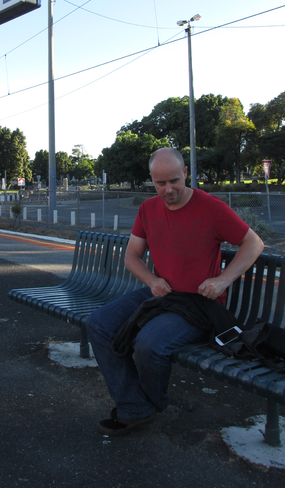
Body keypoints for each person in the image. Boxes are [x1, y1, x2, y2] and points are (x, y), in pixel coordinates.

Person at [87, 147, 264, 436]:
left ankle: (145, 405)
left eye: (174, 181)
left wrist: (222, 280)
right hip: (161, 294)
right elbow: (132, 257)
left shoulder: (212, 208)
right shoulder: (148, 209)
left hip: (198, 304)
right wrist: (151, 280)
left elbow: (254, 243)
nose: (168, 190)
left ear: (185, 173)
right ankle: (135, 405)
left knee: (149, 344)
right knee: (99, 324)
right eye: (160, 183)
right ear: (152, 180)